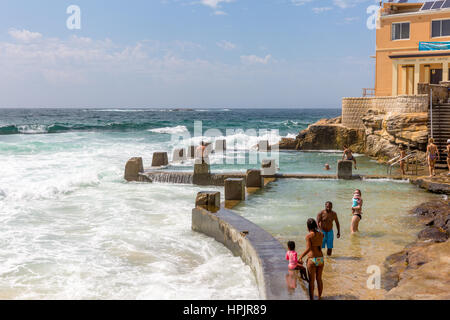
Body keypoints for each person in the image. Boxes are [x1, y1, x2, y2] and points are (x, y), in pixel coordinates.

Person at [299, 219, 324, 300]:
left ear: (308, 226)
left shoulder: (308, 236)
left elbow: (309, 248)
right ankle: (320, 297)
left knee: (311, 282)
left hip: (312, 259)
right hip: (320, 259)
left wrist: (301, 256)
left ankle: (312, 299)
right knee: (319, 279)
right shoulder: (321, 234)